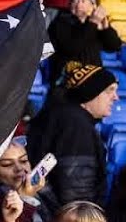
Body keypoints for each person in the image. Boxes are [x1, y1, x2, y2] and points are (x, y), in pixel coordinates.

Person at [26, 61, 117, 205]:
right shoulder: (76, 126)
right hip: (69, 220)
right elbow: (76, 193)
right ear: (90, 92)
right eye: (109, 90)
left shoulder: (63, 115)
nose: (115, 97)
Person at [46, 0, 121, 84]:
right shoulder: (60, 22)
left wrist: (106, 29)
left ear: (92, 5)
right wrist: (92, 23)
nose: (78, 4)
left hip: (93, 78)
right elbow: (72, 48)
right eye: (74, 1)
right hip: (67, 79)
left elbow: (114, 47)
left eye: (83, 0)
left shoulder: (94, 23)